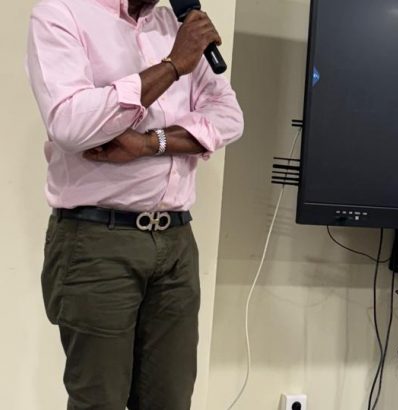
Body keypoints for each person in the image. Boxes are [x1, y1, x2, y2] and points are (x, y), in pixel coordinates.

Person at [26, 0, 244, 408]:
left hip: (176, 241)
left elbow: (229, 118)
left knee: (171, 399)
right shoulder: (62, 14)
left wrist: (148, 143)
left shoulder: (176, 24)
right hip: (97, 240)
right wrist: (173, 66)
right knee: (100, 400)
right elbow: (72, 125)